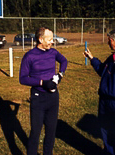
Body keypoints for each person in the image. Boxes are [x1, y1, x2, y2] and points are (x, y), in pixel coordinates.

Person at [19, 27, 68, 155]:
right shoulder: (29, 56)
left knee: (51, 131)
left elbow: (64, 61)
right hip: (38, 98)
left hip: (53, 98)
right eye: (50, 39)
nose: (52, 42)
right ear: (40, 39)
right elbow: (22, 78)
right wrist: (42, 83)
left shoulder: (53, 52)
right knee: (35, 132)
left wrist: (60, 75)